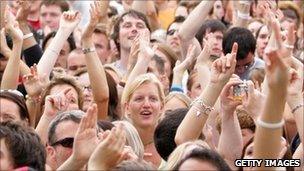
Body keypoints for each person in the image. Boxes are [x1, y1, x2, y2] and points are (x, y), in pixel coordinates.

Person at [121, 73, 164, 168]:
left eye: (153, 99)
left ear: (161, 107)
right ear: (127, 107)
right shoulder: (118, 144)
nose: (146, 104)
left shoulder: (171, 143)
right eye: (139, 99)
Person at [111, 10, 151, 77]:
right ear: (117, 37)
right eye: (127, 26)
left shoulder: (156, 70)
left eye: (140, 26)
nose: (134, 29)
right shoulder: (108, 73)